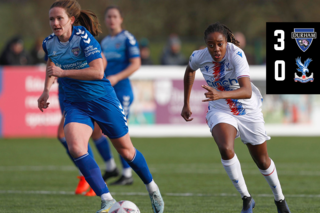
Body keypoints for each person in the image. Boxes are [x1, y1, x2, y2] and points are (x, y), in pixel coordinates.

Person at [38, 1, 164, 212]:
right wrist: (46, 90)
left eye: (59, 18)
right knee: (76, 146)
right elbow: (51, 64)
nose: (55, 23)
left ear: (71, 20)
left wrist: (63, 73)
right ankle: (107, 200)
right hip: (75, 103)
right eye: (51, 19)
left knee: (126, 150)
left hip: (102, 100)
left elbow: (97, 72)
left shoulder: (84, 38)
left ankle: (152, 187)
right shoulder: (48, 42)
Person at [181, 22, 291, 213]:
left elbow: (247, 91)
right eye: (211, 44)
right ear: (206, 44)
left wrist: (220, 94)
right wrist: (186, 102)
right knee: (225, 148)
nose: (216, 49)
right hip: (220, 108)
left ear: (226, 41)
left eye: (220, 44)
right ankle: (247, 199)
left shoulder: (237, 55)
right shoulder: (199, 56)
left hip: (247, 110)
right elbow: (189, 70)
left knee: (262, 160)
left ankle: (280, 200)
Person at [99, 6, 141, 186]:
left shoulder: (127, 38)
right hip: (107, 91)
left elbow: (136, 64)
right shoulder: (105, 41)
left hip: (122, 92)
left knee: (119, 132)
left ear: (121, 19)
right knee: (100, 131)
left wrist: (116, 76)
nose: (111, 20)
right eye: (108, 17)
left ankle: (127, 174)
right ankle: (111, 168)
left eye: (115, 16)